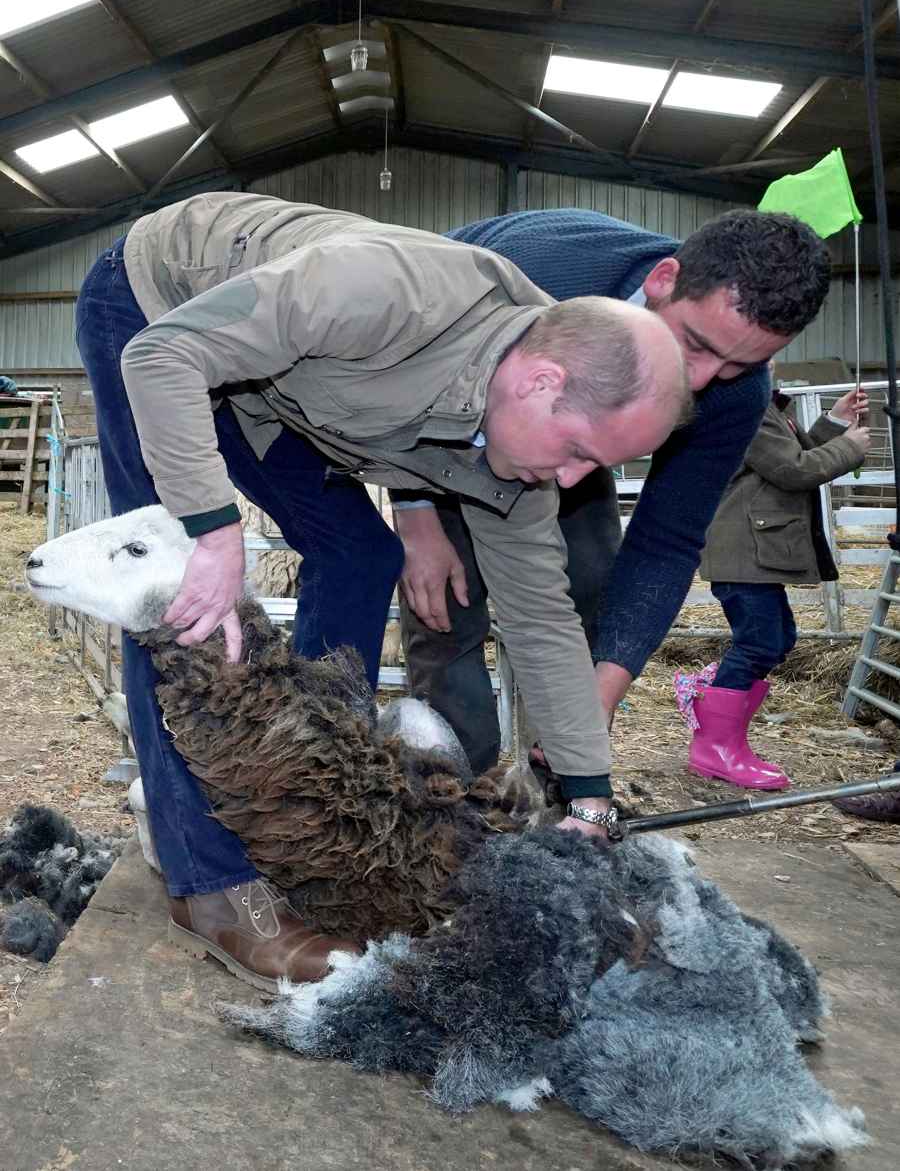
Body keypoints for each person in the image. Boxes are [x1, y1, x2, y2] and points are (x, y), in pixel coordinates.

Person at [74, 191, 689, 991]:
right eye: (574, 451)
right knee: (184, 592)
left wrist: (592, 798)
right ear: (540, 381)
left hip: (278, 382)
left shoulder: (525, 455)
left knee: (361, 556)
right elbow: (164, 356)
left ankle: (312, 807)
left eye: (593, 468)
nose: (572, 481)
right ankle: (214, 885)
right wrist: (212, 526)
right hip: (157, 311)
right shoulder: (385, 292)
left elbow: (543, 623)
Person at [393, 208, 832, 776]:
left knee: (596, 577)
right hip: (448, 424)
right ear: (662, 281)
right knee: (447, 597)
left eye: (737, 364)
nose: (698, 381)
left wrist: (600, 693)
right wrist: (416, 514)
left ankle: (559, 789)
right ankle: (452, 782)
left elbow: (668, 540)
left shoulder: (737, 391)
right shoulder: (538, 275)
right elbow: (410, 370)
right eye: (694, 343)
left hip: (576, 439)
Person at [675, 385, 869, 789]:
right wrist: (850, 447)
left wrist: (834, 423)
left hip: (750, 553)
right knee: (759, 644)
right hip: (742, 553)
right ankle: (715, 747)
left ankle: (724, 739)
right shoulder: (746, 406)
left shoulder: (764, 408)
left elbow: (790, 457)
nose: (771, 364)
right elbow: (794, 470)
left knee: (777, 639)